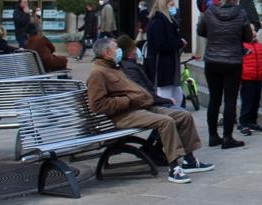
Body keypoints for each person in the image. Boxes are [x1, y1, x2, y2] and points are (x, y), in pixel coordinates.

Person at [85, 38, 213, 184]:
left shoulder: (115, 67)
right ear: (107, 53)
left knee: (183, 115)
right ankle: (174, 168)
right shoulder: (98, 73)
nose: (119, 50)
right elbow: (97, 105)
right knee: (166, 122)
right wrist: (128, 100)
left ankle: (189, 160)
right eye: (116, 48)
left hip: (142, 107)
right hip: (125, 114)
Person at [197, 0, 252, 149]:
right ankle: (228, 137)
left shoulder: (210, 11)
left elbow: (201, 31)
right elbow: (248, 37)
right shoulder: (241, 14)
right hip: (232, 61)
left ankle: (213, 136)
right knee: (230, 100)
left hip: (212, 60)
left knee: (214, 99)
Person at [146, 0, 187, 106]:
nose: (174, 8)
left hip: (169, 64)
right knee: (166, 93)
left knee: (176, 93)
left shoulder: (167, 22)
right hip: (163, 65)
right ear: (164, 6)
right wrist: (179, 43)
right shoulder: (159, 22)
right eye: (171, 5)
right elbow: (161, 45)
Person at [117, 35, 176, 109]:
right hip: (146, 107)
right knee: (182, 114)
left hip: (147, 104)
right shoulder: (130, 69)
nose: (137, 50)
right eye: (135, 48)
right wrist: (167, 100)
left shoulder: (129, 66)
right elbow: (144, 93)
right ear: (129, 53)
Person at [239, 24, 262, 135]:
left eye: (255, 30)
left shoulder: (260, 46)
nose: (254, 33)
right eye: (251, 31)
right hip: (246, 79)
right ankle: (244, 123)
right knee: (247, 102)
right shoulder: (241, 47)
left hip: (258, 78)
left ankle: (252, 122)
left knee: (255, 102)